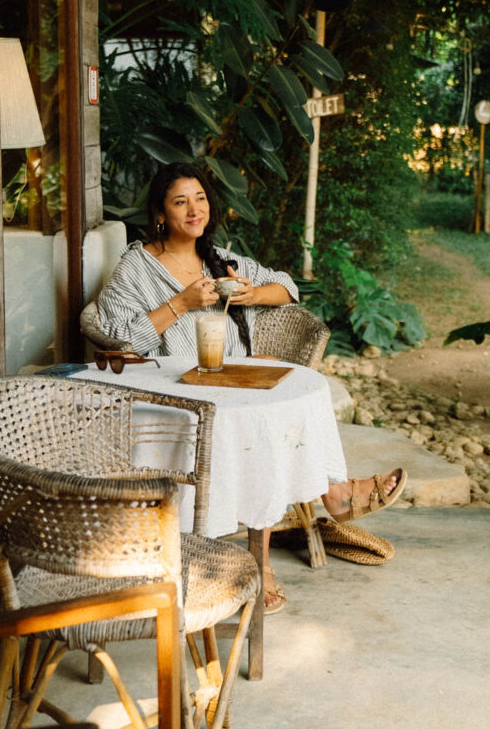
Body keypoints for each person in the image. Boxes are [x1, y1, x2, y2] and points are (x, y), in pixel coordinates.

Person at [97, 161, 407, 613]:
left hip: (236, 376)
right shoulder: (137, 267)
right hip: (178, 385)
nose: (193, 209)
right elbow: (116, 333)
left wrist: (249, 294)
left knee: (305, 390)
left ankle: (329, 494)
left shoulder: (220, 259)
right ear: (161, 212)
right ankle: (302, 524)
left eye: (200, 198)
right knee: (263, 427)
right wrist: (180, 303)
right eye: (180, 201)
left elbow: (287, 286)